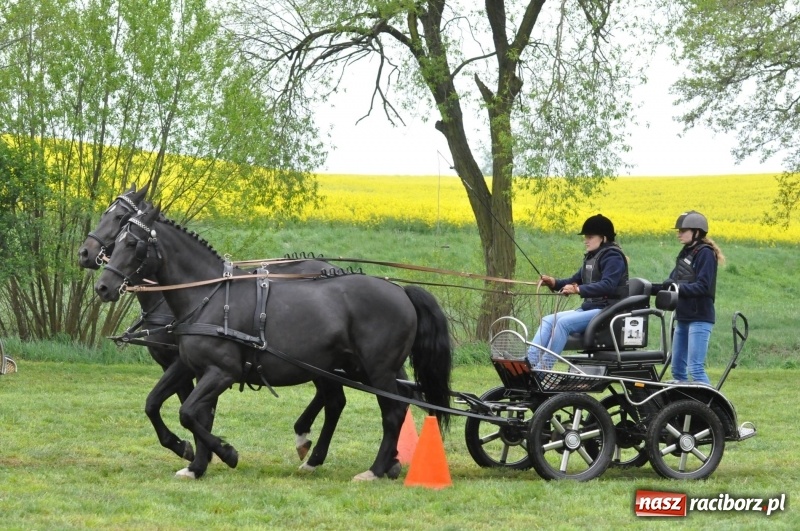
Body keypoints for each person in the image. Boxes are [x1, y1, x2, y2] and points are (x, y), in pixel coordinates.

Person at [527, 214, 629, 369]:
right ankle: (529, 363)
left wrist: (578, 289)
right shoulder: (592, 257)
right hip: (591, 309)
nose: (585, 240)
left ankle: (543, 369)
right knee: (548, 320)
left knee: (563, 324)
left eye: (590, 237)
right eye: (585, 237)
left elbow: (608, 285)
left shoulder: (613, 257)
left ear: (603, 238)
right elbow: (575, 280)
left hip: (608, 310)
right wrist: (554, 283)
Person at [652, 211, 724, 385]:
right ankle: (683, 402)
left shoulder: (705, 253)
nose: (679, 234)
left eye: (683, 231)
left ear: (696, 232)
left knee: (695, 368)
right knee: (677, 369)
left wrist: (676, 287)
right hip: (683, 317)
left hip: (699, 318)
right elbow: (671, 284)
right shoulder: (685, 253)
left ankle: (710, 403)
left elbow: (703, 286)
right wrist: (646, 288)